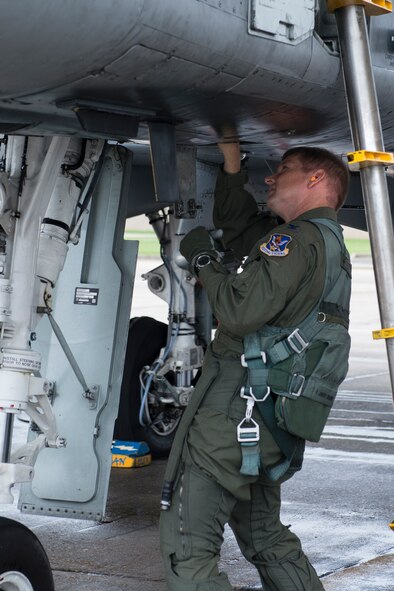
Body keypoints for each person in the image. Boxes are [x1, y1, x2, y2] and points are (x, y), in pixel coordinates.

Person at [160, 142, 351, 591]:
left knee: (188, 548)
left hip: (232, 415)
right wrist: (231, 165)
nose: (271, 177)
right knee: (266, 536)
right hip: (271, 417)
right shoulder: (325, 243)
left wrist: (204, 258)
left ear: (315, 180)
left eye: (283, 169)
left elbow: (241, 312)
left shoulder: (295, 242)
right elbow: (242, 226)